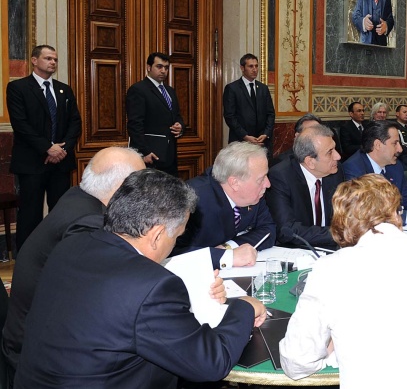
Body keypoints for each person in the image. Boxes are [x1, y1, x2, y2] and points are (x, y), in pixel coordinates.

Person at [14, 169, 267, 388]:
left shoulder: (71, 244)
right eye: (177, 236)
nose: (175, 243)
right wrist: (243, 306)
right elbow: (211, 363)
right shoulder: (151, 287)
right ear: (156, 235)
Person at [279, 175, 407, 389]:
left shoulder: (329, 269)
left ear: (343, 222)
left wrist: (332, 349)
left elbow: (296, 362)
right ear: (396, 213)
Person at [2, 147, 145, 372]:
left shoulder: (77, 197)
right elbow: (108, 296)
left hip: (32, 334)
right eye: (143, 186)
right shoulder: (89, 223)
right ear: (122, 189)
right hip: (37, 357)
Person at [6, 44, 82, 250]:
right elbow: (21, 124)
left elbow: (75, 122)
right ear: (34, 60)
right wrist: (48, 148)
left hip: (60, 162)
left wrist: (62, 149)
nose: (53, 62)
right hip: (32, 162)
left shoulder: (64, 90)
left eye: (55, 59)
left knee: (61, 213)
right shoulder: (18, 88)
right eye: (48, 58)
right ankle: (27, 257)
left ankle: (59, 253)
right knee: (30, 214)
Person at [172, 142, 276, 269]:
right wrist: (225, 257)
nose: (268, 184)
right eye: (261, 179)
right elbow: (170, 252)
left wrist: (229, 247)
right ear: (234, 183)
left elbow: (268, 230)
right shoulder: (190, 200)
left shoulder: (254, 195)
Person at [341, 121, 407, 225]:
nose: (400, 149)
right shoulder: (354, 168)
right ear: (378, 145)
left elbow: (406, 198)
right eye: (395, 143)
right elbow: (364, 213)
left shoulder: (395, 165)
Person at [266, 124, 344, 249]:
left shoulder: (334, 170)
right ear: (310, 162)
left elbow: (343, 214)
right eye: (330, 152)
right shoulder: (280, 177)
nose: (338, 156)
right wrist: (339, 234)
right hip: (296, 250)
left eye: (334, 148)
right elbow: (287, 230)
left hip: (332, 248)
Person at [126, 52, 184, 176]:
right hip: (150, 156)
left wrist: (180, 126)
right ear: (149, 67)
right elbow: (135, 124)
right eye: (159, 66)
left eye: (166, 67)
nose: (163, 71)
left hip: (170, 155)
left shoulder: (170, 91)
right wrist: (144, 151)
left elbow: (177, 116)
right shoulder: (138, 89)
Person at [222, 53, 276, 152]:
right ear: (242, 68)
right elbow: (230, 116)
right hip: (240, 142)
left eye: (256, 66)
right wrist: (245, 136)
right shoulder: (232, 88)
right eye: (251, 66)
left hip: (262, 142)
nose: (254, 69)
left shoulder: (263, 88)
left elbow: (270, 114)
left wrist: (266, 134)